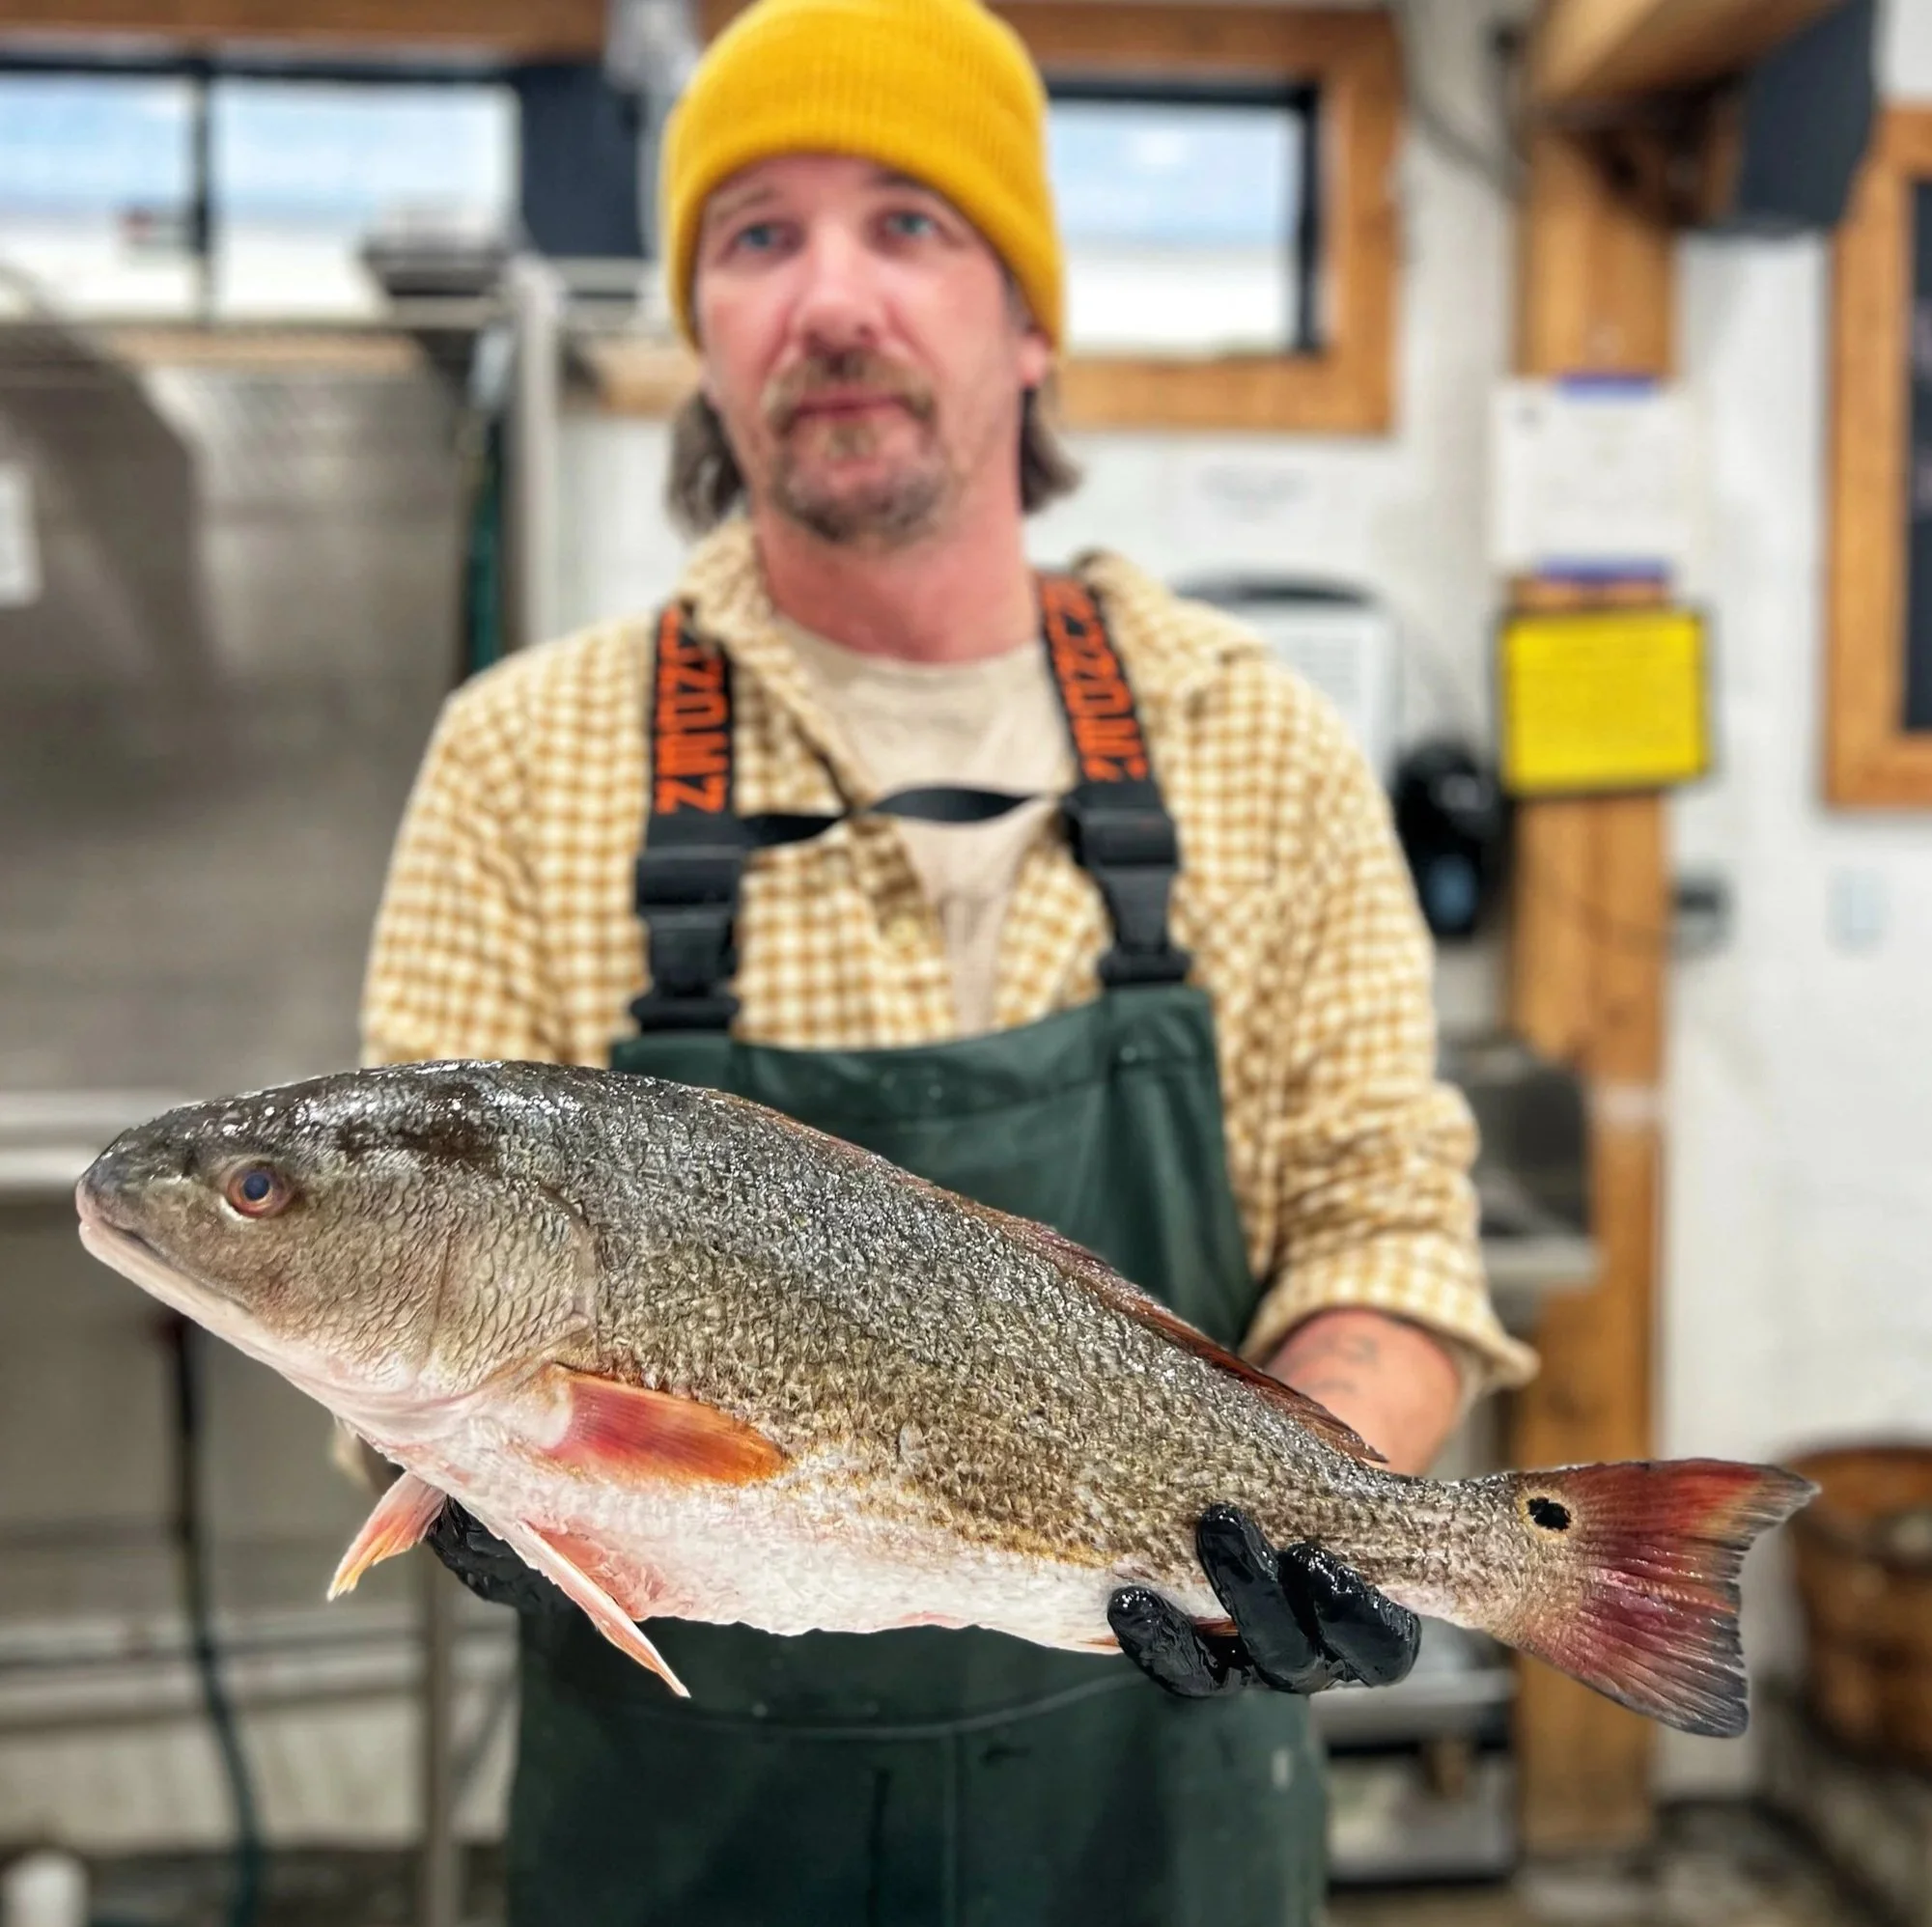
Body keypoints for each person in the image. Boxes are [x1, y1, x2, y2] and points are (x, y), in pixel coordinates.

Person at [360, 0, 1536, 1918]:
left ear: (1030, 317)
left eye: (909, 224)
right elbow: (396, 1269)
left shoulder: (1255, 742)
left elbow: (1387, 1222)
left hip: (1155, 1791)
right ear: (704, 334)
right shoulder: (526, 752)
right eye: (756, 237)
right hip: (688, 1834)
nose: (830, 297)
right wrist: (458, 1463)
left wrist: (1320, 1506)